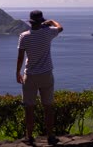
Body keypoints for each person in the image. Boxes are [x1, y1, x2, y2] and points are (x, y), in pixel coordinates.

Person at [16, 10, 63, 145]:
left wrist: (17, 73)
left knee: (29, 108)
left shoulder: (24, 36)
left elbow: (20, 57)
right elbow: (60, 27)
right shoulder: (48, 33)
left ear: (30, 22)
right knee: (48, 107)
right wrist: (51, 21)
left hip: (30, 76)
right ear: (41, 21)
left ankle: (29, 137)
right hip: (46, 75)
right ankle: (50, 136)